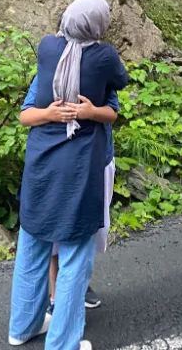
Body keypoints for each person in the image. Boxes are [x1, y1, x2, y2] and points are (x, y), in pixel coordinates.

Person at [9, 0, 128, 350]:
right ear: (97, 27)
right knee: (76, 251)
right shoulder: (104, 57)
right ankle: (63, 343)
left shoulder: (47, 47)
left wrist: (51, 111)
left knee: (32, 244)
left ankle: (23, 326)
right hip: (77, 166)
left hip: (41, 163)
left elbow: (27, 111)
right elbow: (118, 82)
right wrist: (90, 110)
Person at [22, 76, 119, 312]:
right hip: (57, 166)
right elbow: (25, 116)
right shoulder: (47, 72)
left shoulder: (97, 69)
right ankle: (57, 294)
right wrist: (49, 115)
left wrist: (91, 111)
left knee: (88, 229)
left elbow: (112, 113)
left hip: (95, 163)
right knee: (56, 231)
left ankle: (80, 284)